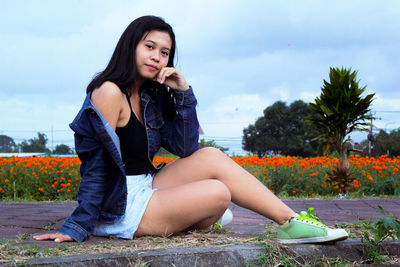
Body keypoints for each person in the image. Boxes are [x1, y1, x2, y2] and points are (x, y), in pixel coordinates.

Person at [33, 15, 348, 244]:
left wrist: (183, 93)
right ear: (131, 46)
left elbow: (186, 148)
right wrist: (78, 226)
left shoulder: (150, 96)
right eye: (149, 47)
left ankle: (290, 222)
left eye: (165, 52)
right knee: (218, 193)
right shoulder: (108, 92)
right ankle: (201, 214)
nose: (157, 57)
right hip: (119, 204)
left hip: (147, 183)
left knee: (211, 156)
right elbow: (97, 164)